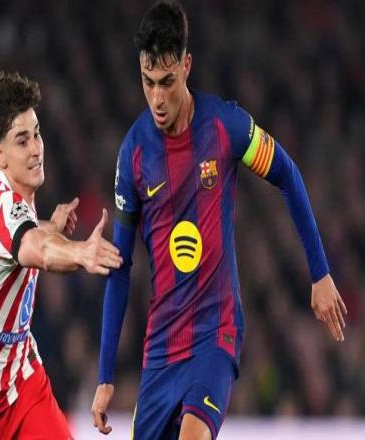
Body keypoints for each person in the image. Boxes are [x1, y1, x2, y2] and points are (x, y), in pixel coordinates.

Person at [91, 2, 347, 439]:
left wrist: (320, 273)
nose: (157, 98)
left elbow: (287, 175)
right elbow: (119, 265)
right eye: (148, 82)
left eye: (167, 82)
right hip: (160, 351)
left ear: (186, 66)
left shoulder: (226, 126)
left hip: (216, 334)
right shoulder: (133, 153)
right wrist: (105, 375)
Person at [0, 71, 122, 440]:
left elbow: (25, 238)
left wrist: (50, 225)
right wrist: (81, 251)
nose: (36, 149)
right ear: (0, 155)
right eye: (22, 141)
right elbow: (37, 249)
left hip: (21, 378)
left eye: (36, 134)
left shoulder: (5, 194)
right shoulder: (6, 210)